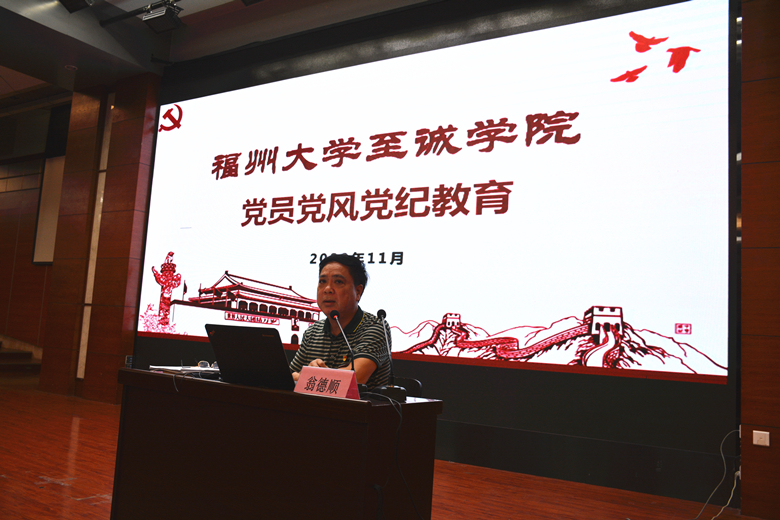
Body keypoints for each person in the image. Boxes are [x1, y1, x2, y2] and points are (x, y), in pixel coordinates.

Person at [290, 253, 391, 390]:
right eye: (322, 281)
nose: (327, 289)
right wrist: (307, 376)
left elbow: (353, 380)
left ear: (358, 291)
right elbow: (288, 376)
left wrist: (307, 376)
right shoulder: (313, 332)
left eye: (338, 282)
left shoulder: (375, 327)